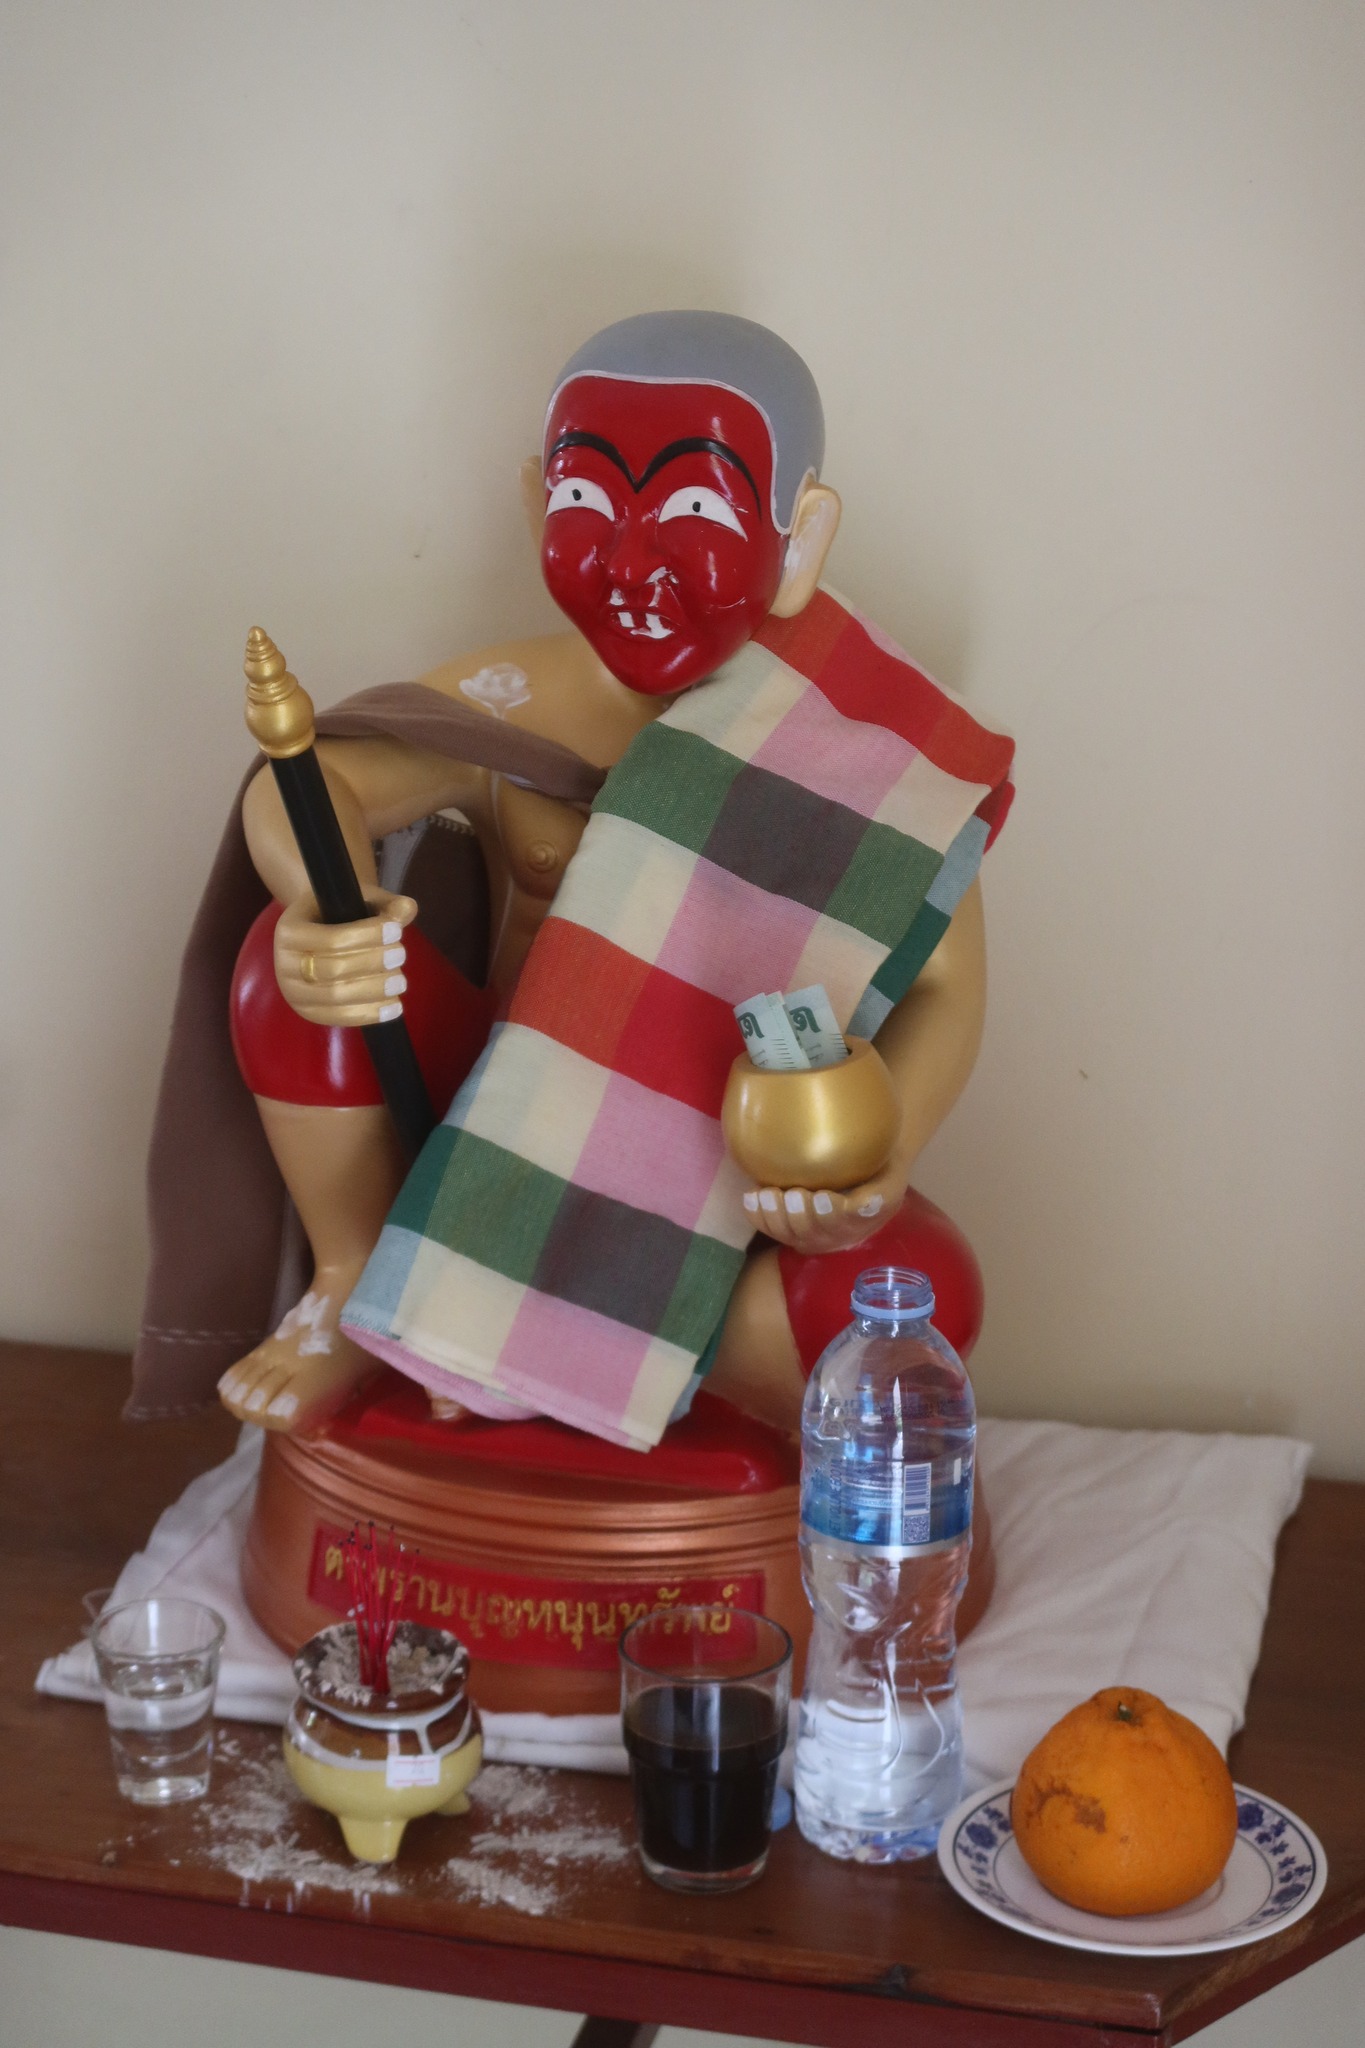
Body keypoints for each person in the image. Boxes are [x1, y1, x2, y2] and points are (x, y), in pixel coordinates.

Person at [216, 311, 1010, 1444]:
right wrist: (322, 899)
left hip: (729, 1191)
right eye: (588, 500)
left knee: (922, 1294)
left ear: (800, 539)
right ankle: (360, 1282)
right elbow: (313, 780)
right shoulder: (520, 695)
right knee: (285, 968)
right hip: (485, 1150)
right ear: (537, 502)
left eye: (696, 513)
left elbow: (947, 990)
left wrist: (882, 1153)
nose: (632, 563)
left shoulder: (866, 750)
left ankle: (583, 1349)